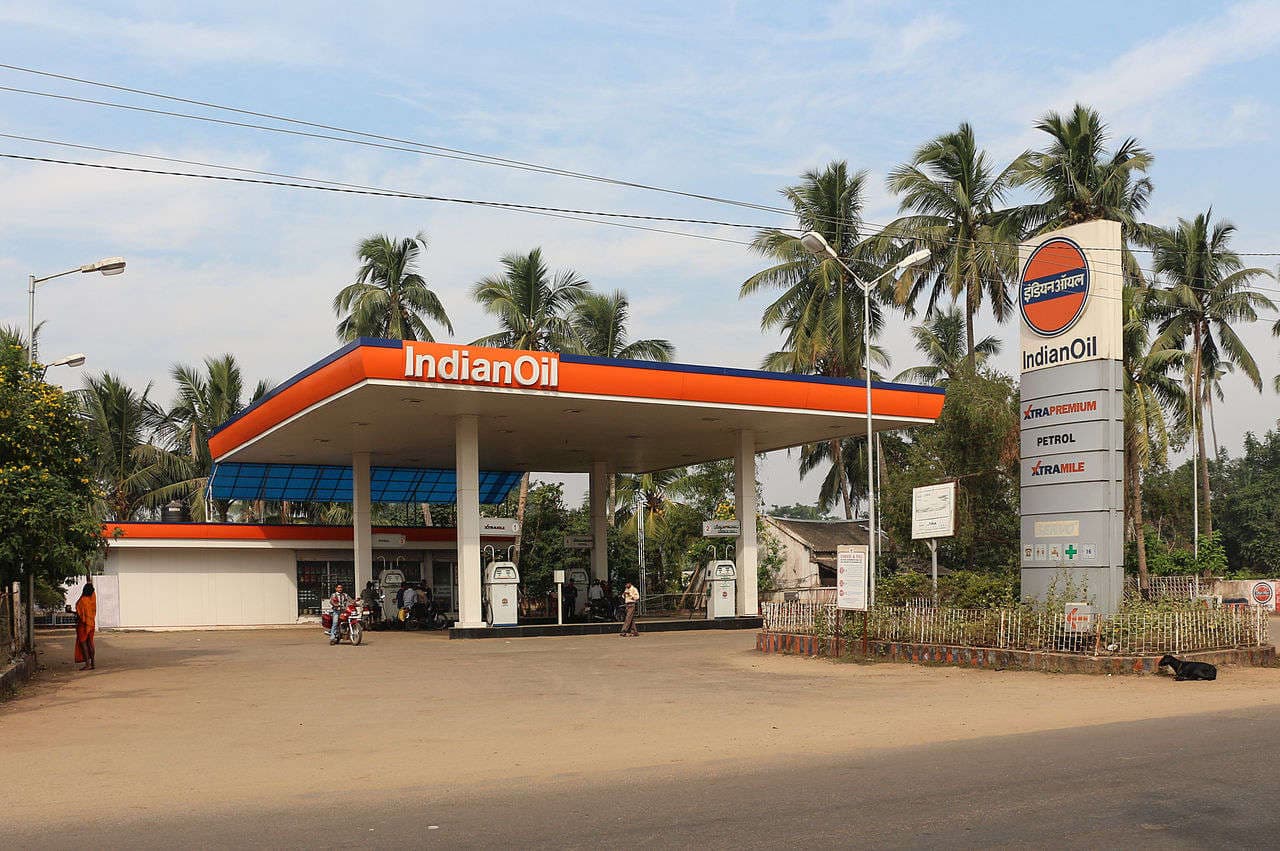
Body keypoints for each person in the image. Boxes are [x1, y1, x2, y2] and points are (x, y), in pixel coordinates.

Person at [74, 583, 97, 670]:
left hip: (83, 625)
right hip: (91, 624)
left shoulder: (82, 600)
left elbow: (79, 614)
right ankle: (93, 663)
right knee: (90, 643)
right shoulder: (92, 600)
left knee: (84, 644)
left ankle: (87, 664)